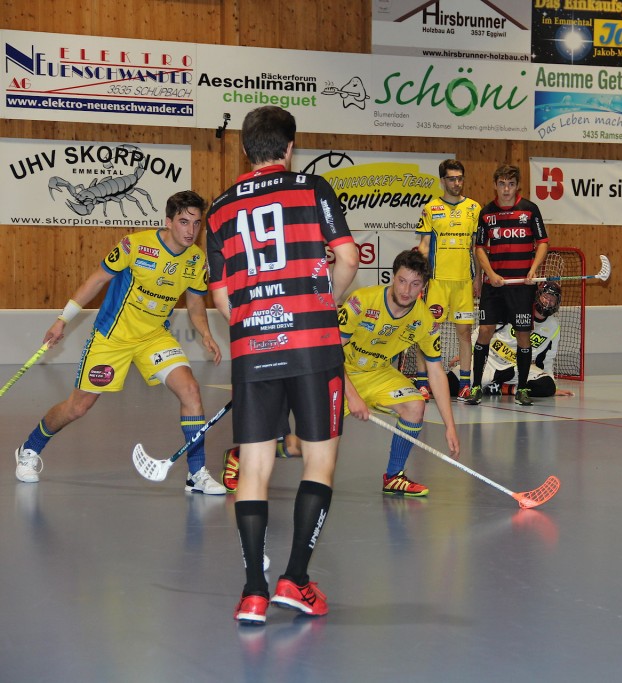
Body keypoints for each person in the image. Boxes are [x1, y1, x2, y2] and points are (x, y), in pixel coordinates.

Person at [206, 105, 360, 625]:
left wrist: (254, 325)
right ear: (290, 147)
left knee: (253, 469)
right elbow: (347, 256)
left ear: (246, 151)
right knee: (319, 462)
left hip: (253, 350)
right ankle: (295, 578)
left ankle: (253, 591)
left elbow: (221, 295)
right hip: (314, 345)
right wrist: (325, 303)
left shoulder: (221, 209)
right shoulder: (313, 188)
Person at [14, 190, 225, 495]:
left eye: (196, 224)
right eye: (183, 222)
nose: (191, 231)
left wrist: (205, 332)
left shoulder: (196, 260)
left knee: (190, 389)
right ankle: (29, 448)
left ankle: (196, 473)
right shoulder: (136, 245)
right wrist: (63, 319)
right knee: (78, 407)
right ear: (167, 221)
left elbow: (194, 303)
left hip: (154, 337)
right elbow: (96, 280)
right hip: (113, 337)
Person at [337, 249, 460, 496]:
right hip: (340, 372)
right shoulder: (361, 301)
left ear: (423, 287)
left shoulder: (424, 319)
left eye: (415, 284)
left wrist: (450, 425)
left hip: (379, 373)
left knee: (415, 406)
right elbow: (330, 353)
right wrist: (351, 395)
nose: (406, 290)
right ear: (393, 277)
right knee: (310, 444)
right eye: (402, 281)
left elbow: (435, 371)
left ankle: (394, 476)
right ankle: (242, 458)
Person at [465, 164, 549, 407]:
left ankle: (522, 388)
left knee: (523, 336)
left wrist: (533, 270)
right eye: (501, 184)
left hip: (521, 287)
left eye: (510, 184)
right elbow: (479, 247)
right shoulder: (486, 213)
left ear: (517, 186)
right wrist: (488, 274)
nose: (506, 189)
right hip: (495, 286)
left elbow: (542, 242)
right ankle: (476, 387)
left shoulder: (530, 210)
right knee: (484, 332)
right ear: (495, 185)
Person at [412, 159, 482, 403]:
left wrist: (478, 279)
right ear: (442, 181)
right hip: (437, 283)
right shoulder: (431, 209)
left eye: (460, 178)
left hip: (463, 282)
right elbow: (423, 246)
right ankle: (422, 384)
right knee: (428, 333)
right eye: (452, 178)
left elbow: (477, 248)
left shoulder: (474, 208)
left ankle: (464, 384)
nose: (457, 182)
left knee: (464, 333)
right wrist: (421, 279)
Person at [451, 282, 574, 399]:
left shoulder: (553, 326)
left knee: (547, 386)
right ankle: (488, 384)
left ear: (557, 304)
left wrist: (552, 387)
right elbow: (482, 331)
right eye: (545, 297)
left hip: (517, 369)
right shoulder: (517, 309)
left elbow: (548, 358)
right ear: (538, 295)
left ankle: (504, 389)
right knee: (451, 384)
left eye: (552, 300)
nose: (548, 302)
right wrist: (469, 352)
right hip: (491, 360)